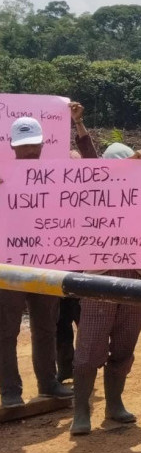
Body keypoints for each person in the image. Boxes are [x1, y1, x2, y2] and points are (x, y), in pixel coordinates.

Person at [70, 143, 141, 435]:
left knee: (123, 346)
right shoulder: (86, 197)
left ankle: (114, 404)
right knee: (89, 348)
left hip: (135, 278)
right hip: (98, 279)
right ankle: (81, 411)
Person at [0, 117, 74, 408]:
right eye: (23, 146)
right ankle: (9, 390)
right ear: (11, 146)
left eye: (33, 145)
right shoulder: (2, 177)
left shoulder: (57, 177)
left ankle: (48, 382)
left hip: (45, 265)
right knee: (6, 331)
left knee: (46, 327)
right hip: (8, 268)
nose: (29, 151)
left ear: (43, 143)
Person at [56, 102, 100, 383]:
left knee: (85, 316)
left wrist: (78, 122)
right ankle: (65, 370)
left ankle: (89, 367)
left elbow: (94, 162)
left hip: (81, 252)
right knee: (58, 320)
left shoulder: (75, 158)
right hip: (50, 256)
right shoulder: (31, 165)